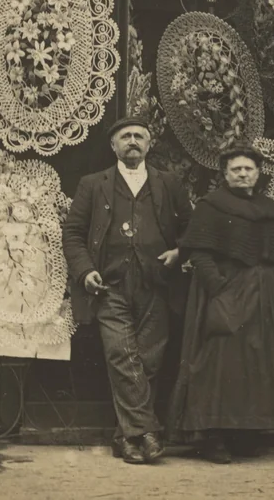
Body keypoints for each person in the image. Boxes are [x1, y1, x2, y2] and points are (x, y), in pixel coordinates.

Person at [62, 116, 191, 465]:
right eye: (125, 137)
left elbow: (190, 230)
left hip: (157, 285)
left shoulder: (169, 183)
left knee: (147, 360)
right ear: (113, 146)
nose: (132, 141)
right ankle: (148, 432)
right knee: (122, 356)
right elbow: (73, 234)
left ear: (149, 145)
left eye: (139, 136)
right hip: (110, 285)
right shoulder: (93, 184)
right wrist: (85, 270)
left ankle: (127, 437)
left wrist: (179, 251)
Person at [168, 142, 274, 463]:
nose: (242, 174)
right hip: (228, 290)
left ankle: (247, 433)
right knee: (220, 363)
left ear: (257, 173)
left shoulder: (268, 208)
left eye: (248, 169)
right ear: (225, 174)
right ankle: (212, 437)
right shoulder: (212, 206)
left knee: (257, 363)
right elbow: (199, 251)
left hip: (265, 294)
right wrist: (219, 289)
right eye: (235, 169)